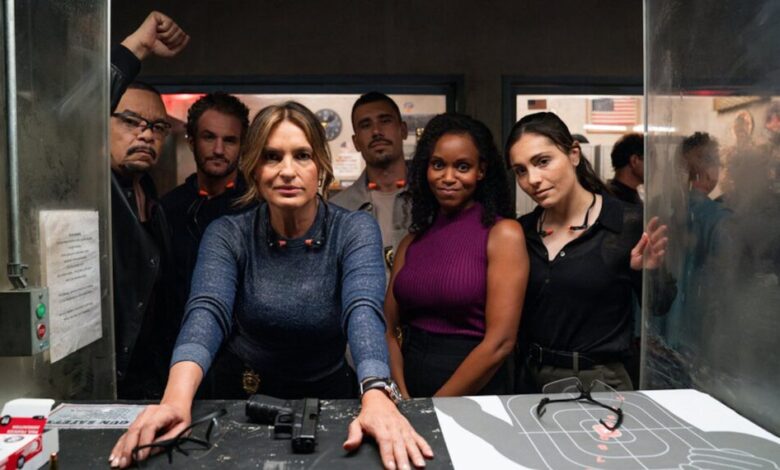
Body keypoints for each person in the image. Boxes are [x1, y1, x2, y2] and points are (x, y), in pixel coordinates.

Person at [109, 101, 433, 470]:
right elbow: (207, 311)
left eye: (302, 156)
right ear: (254, 168)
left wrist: (376, 392)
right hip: (244, 396)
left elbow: (362, 310)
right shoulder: (228, 233)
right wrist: (174, 400)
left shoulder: (353, 229)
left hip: (330, 395)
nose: (287, 171)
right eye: (272, 157)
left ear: (320, 165)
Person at [506, 112, 667, 392]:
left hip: (598, 382)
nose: (533, 179)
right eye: (521, 170)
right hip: (529, 380)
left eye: (542, 161)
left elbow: (662, 306)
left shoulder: (624, 223)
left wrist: (648, 274)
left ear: (574, 154)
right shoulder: (522, 231)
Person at [384, 113, 528, 398]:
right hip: (407, 388)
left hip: (473, 391)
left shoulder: (503, 234)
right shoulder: (412, 241)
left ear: (481, 171)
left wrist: (435, 406)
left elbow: (500, 342)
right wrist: (401, 394)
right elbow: (386, 328)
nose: (448, 178)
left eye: (462, 166)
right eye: (438, 165)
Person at [110, 11, 189, 399]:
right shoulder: (92, 191)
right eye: (130, 121)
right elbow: (74, 112)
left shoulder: (153, 199)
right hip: (106, 381)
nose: (146, 134)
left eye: (157, 127)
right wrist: (137, 46)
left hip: (149, 383)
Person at [331, 92, 412, 275]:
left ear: (403, 130)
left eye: (385, 121)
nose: (376, 132)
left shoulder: (432, 198)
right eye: (365, 125)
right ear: (356, 142)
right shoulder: (337, 210)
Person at [607, 132, 644, 205]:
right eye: (652, 161)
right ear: (634, 161)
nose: (655, 168)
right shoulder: (615, 200)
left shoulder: (612, 194)